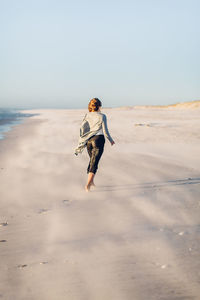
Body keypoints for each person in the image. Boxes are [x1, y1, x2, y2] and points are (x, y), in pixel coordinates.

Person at [75, 98, 115, 192]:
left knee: (92, 161)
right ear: (99, 106)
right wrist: (111, 140)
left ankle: (91, 181)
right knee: (94, 162)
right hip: (98, 140)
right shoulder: (102, 116)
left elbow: (83, 129)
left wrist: (82, 140)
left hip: (89, 141)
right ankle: (88, 185)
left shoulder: (87, 115)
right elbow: (105, 131)